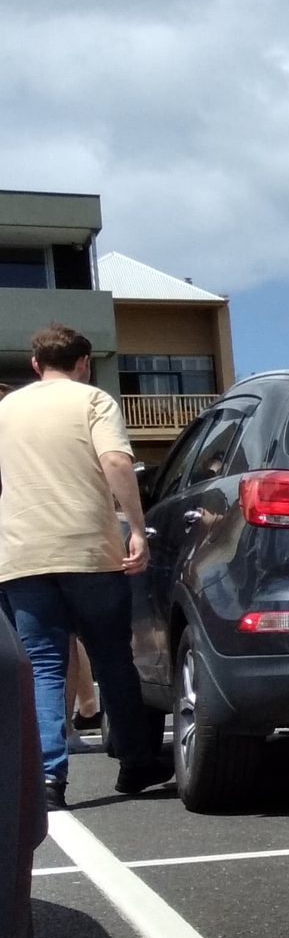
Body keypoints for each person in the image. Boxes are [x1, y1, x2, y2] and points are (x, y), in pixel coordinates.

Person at [0, 327, 171, 808]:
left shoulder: (5, 409)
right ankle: (136, 761)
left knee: (44, 666)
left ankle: (48, 779)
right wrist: (136, 528)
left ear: (36, 364)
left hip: (21, 554)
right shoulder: (93, 401)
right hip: (87, 549)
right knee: (112, 656)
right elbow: (116, 460)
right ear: (84, 362)